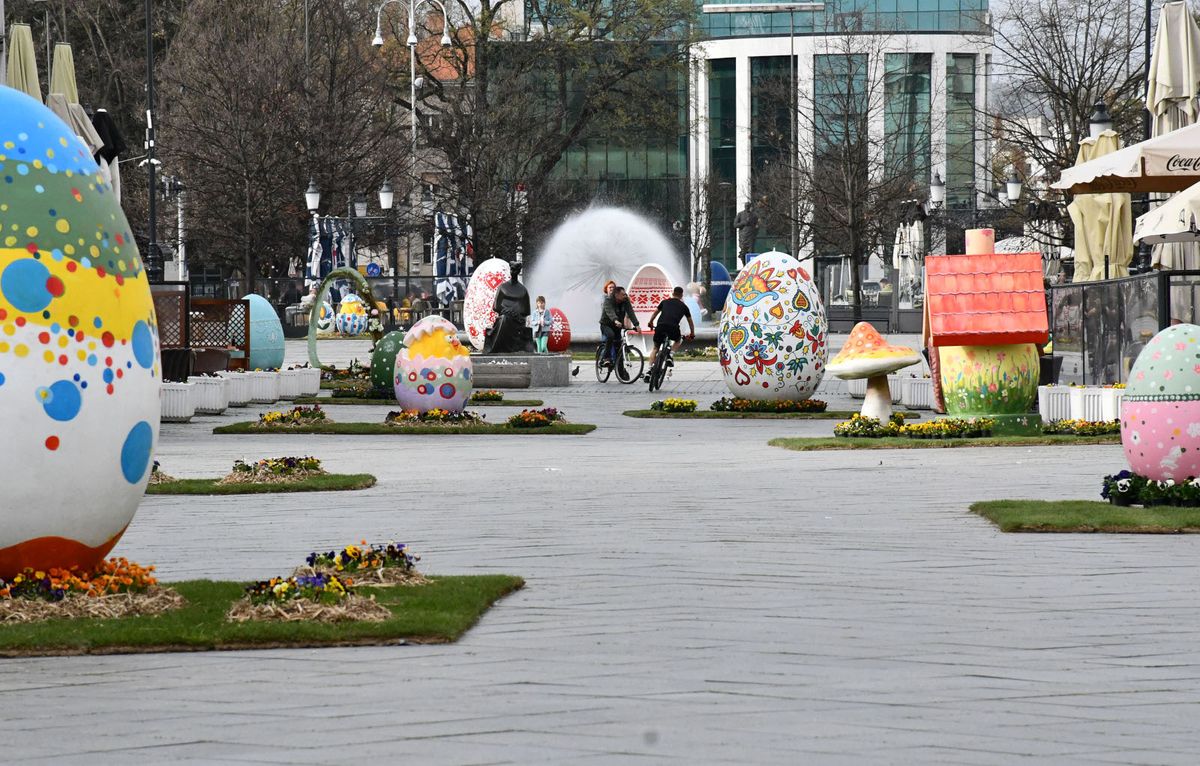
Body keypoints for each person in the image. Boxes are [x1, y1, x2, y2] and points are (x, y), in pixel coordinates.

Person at [647, 286, 695, 374]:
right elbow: (690, 322)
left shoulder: (664, 302)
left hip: (660, 326)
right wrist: (692, 333)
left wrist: (650, 322)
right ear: (681, 295)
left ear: (673, 293)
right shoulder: (684, 306)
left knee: (655, 348)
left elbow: (655, 313)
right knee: (678, 339)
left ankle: (649, 370)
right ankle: (670, 355)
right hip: (673, 328)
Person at [599, 286, 640, 381]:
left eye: (625, 294)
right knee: (610, 336)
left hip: (618, 325)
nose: (625, 296)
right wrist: (615, 320)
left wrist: (636, 325)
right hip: (606, 325)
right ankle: (606, 358)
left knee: (619, 347)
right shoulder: (608, 300)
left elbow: (630, 312)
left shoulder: (625, 301)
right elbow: (610, 312)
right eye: (622, 294)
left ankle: (621, 373)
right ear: (616, 295)